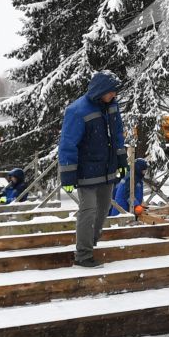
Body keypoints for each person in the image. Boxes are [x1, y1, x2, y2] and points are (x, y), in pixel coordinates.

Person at [58, 72, 126, 268]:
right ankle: (83, 255)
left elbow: (118, 135)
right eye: (111, 92)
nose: (114, 95)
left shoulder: (111, 107)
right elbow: (68, 144)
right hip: (86, 170)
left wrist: (121, 160)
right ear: (101, 91)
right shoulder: (77, 111)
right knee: (88, 210)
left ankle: (91, 243)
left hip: (107, 168)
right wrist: (68, 175)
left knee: (104, 209)